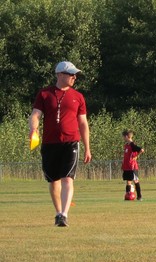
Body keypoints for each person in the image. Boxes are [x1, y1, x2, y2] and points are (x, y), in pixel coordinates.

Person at [29, 61, 92, 227]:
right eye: (70, 74)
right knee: (53, 181)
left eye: (75, 74)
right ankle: (58, 213)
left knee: (67, 179)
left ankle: (64, 214)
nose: (74, 77)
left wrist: (87, 148)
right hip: (50, 143)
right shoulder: (44, 94)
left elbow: (83, 123)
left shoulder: (78, 97)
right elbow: (35, 115)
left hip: (71, 142)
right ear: (59, 75)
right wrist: (34, 129)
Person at [121, 130, 144, 201]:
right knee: (128, 181)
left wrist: (136, 156)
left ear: (126, 136)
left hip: (132, 166)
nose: (123, 138)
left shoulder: (132, 145)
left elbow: (141, 150)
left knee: (136, 180)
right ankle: (127, 196)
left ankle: (139, 196)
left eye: (123, 137)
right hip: (126, 166)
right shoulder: (126, 145)